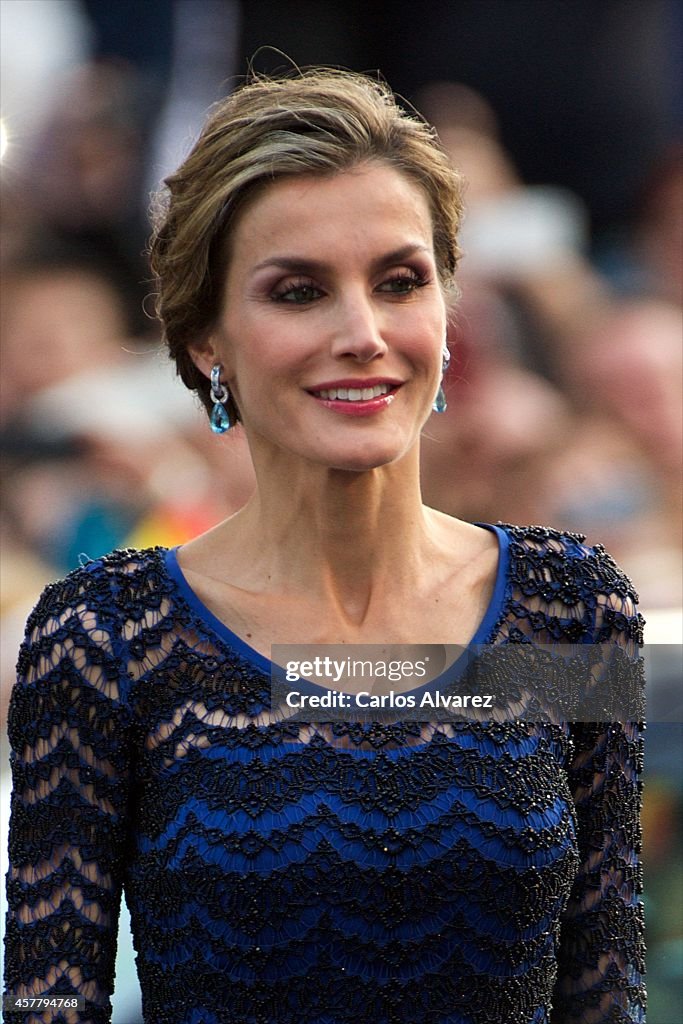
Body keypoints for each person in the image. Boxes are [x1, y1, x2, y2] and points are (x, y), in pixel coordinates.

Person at [3, 69, 646, 1024]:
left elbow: (605, 988)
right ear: (206, 342)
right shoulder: (107, 637)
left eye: (399, 282)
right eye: (298, 291)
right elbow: (50, 1006)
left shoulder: (572, 611)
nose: (363, 333)